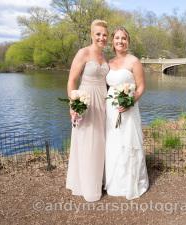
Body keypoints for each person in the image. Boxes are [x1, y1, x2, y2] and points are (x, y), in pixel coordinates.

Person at [66, 19, 109, 202]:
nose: (101, 37)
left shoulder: (105, 58)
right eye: (98, 34)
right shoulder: (83, 53)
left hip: (103, 101)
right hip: (87, 101)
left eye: (104, 34)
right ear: (92, 34)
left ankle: (99, 180)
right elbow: (71, 81)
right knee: (86, 141)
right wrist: (74, 104)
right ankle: (86, 185)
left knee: (101, 141)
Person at [104, 27, 149, 200]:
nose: (120, 41)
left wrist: (130, 102)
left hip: (129, 109)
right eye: (117, 38)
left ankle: (130, 183)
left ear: (128, 42)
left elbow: (141, 86)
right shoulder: (109, 63)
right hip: (111, 109)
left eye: (123, 38)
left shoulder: (134, 61)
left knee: (128, 142)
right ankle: (114, 182)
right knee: (113, 143)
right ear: (113, 41)